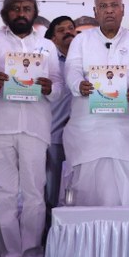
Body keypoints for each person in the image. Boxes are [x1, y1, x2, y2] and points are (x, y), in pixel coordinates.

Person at [0, 0, 62, 257]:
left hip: (35, 126)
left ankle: (31, 256)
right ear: (5, 13)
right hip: (0, 125)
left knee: (34, 193)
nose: (21, 14)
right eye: (15, 9)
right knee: (3, 192)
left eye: (26, 9)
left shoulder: (47, 45)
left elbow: (59, 87)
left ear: (34, 12)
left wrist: (49, 87)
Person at [63, 0, 129, 207]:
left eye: (114, 5)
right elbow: (71, 69)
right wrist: (79, 85)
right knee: (89, 193)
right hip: (88, 127)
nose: (109, 10)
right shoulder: (81, 40)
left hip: (128, 126)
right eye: (103, 6)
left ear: (123, 10)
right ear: (95, 12)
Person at [44, 15, 76, 210]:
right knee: (50, 191)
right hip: (54, 134)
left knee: (80, 187)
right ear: (52, 38)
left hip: (81, 134)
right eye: (61, 30)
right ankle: (48, 227)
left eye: (71, 28)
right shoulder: (47, 62)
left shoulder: (84, 60)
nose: (68, 32)